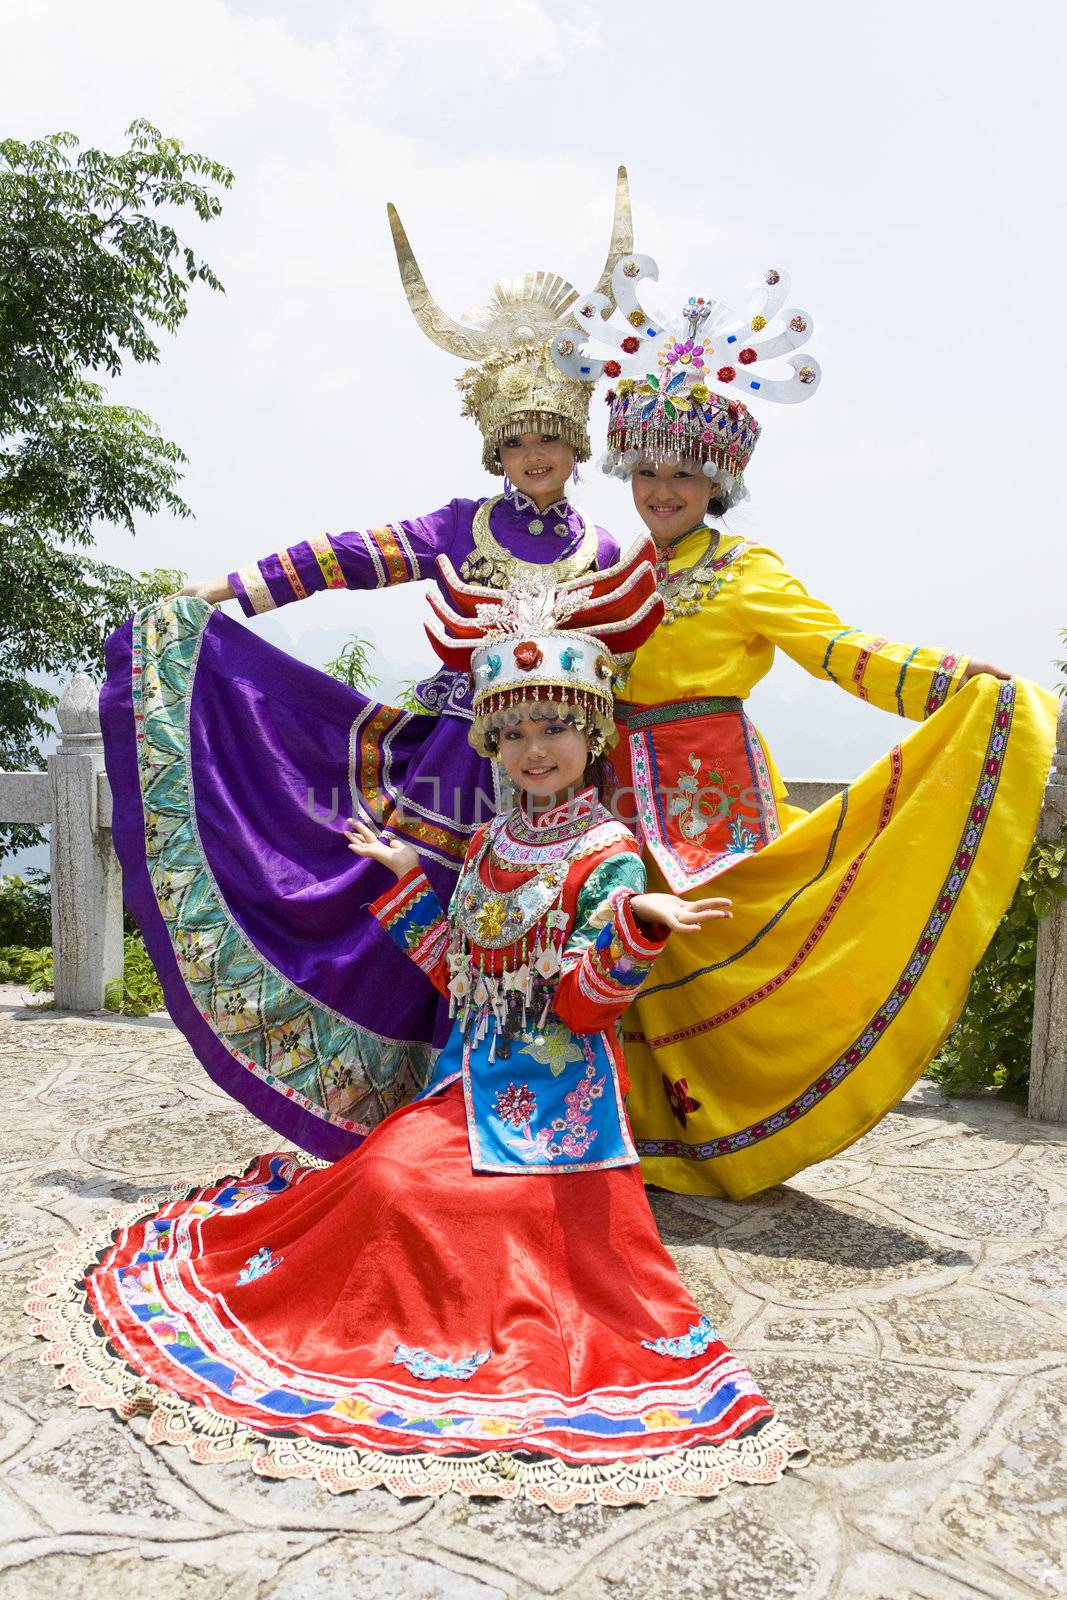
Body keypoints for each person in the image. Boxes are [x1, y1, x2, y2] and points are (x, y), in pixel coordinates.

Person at [30, 545, 808, 1511]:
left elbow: (578, 1007)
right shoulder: (487, 841)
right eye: (516, 730)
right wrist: (404, 879)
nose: (535, 750)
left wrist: (631, 931)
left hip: (556, 1108)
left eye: (556, 731)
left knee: (444, 1210)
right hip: (461, 1083)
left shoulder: (609, 853)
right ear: (492, 742)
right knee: (382, 1176)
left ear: (591, 737)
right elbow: (458, 974)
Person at [100, 174, 637, 1163]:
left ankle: (550, 1120)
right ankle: (404, 1118)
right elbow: (341, 557)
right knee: (413, 927)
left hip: (565, 779)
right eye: (515, 440)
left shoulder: (605, 549)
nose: (532, 456)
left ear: (574, 445)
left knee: (559, 941)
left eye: (548, 440)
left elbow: (637, 659)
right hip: (451, 762)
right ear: (494, 445)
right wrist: (221, 597)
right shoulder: (455, 526)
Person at [553, 252, 1058, 1199]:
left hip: (712, 789)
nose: (661, 491)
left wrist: (947, 679)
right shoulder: (608, 571)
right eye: (646, 472)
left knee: (710, 954)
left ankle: (723, 1136)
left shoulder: (745, 572)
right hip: (611, 790)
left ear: (716, 483)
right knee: (620, 943)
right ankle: (628, 1131)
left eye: (683, 475)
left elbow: (837, 649)